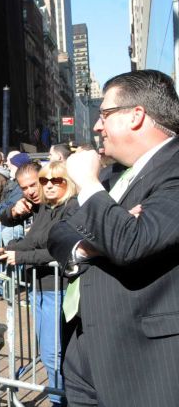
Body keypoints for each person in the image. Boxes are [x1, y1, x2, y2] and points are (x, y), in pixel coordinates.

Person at [48, 69, 179, 407]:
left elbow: (131, 243)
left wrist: (88, 184)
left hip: (144, 362)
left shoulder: (173, 168)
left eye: (104, 114)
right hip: (84, 352)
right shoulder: (113, 176)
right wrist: (88, 246)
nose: (97, 126)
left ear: (136, 115)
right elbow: (59, 231)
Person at [0, 161, 78, 407]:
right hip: (39, 288)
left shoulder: (71, 207)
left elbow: (59, 250)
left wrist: (19, 257)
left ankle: (61, 401)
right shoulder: (42, 208)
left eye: (54, 181)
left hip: (58, 288)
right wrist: (7, 250)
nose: (44, 187)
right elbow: (26, 236)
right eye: (43, 182)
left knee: (53, 353)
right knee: (50, 353)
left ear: (67, 182)